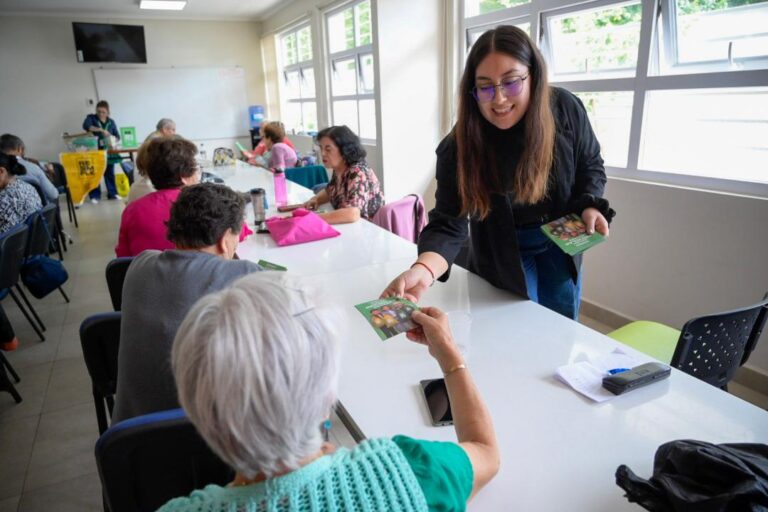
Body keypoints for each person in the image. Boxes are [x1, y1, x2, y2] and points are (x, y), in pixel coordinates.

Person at [158, 272, 499, 511]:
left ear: (196, 407)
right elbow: (486, 452)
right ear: (326, 400)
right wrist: (450, 355)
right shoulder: (407, 474)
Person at [382, 26, 615, 320]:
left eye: (511, 82)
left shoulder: (564, 109)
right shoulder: (459, 146)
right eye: (485, 87)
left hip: (561, 239)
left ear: (533, 76)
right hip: (501, 249)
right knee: (512, 327)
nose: (499, 99)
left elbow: (590, 163)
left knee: (562, 324)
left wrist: (591, 204)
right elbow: (448, 223)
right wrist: (423, 270)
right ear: (472, 90)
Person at [112, 183, 262, 423]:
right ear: (225, 239)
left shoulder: (138, 265)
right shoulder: (246, 274)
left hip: (133, 447)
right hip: (221, 442)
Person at [302, 125, 384, 224]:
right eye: (321, 148)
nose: (323, 153)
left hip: (368, 230)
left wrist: (313, 219)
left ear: (344, 150)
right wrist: (316, 199)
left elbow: (352, 213)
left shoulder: (357, 172)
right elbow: (330, 190)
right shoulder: (339, 168)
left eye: (328, 149)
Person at [0, 134, 59, 204]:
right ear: (19, 149)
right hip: (36, 212)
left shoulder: (3, 171)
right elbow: (53, 195)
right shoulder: (34, 168)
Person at [82, 100, 121, 202]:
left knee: (109, 173)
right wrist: (100, 130)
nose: (100, 114)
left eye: (103, 112)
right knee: (95, 174)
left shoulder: (111, 122)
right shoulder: (91, 118)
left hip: (108, 152)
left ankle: (113, 193)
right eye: (98, 111)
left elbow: (117, 136)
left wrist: (112, 138)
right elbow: (86, 126)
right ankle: (95, 196)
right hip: (95, 151)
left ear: (108, 112)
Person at [0, 152, 42, 234]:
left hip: (13, 245)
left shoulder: (3, 200)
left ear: (1, 171)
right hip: (32, 242)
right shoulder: (28, 186)